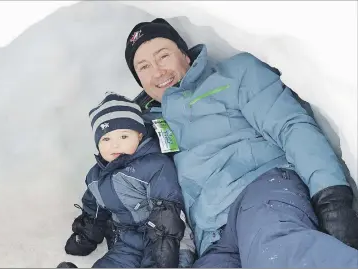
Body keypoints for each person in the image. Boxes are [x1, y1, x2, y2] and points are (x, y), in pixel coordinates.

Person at [124, 18, 358, 267]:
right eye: (144, 66)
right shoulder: (143, 129)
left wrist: (331, 196)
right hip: (213, 235)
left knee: (276, 253)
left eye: (163, 56)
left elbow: (292, 126)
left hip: (262, 192)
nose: (158, 71)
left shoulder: (235, 74)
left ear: (185, 55)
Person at [58, 93, 195, 268]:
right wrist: (85, 238)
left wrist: (164, 251)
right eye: (106, 139)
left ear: (139, 136)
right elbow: (94, 211)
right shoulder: (96, 177)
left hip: (170, 243)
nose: (115, 145)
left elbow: (168, 209)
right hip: (127, 243)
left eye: (123, 137)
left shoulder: (155, 165)